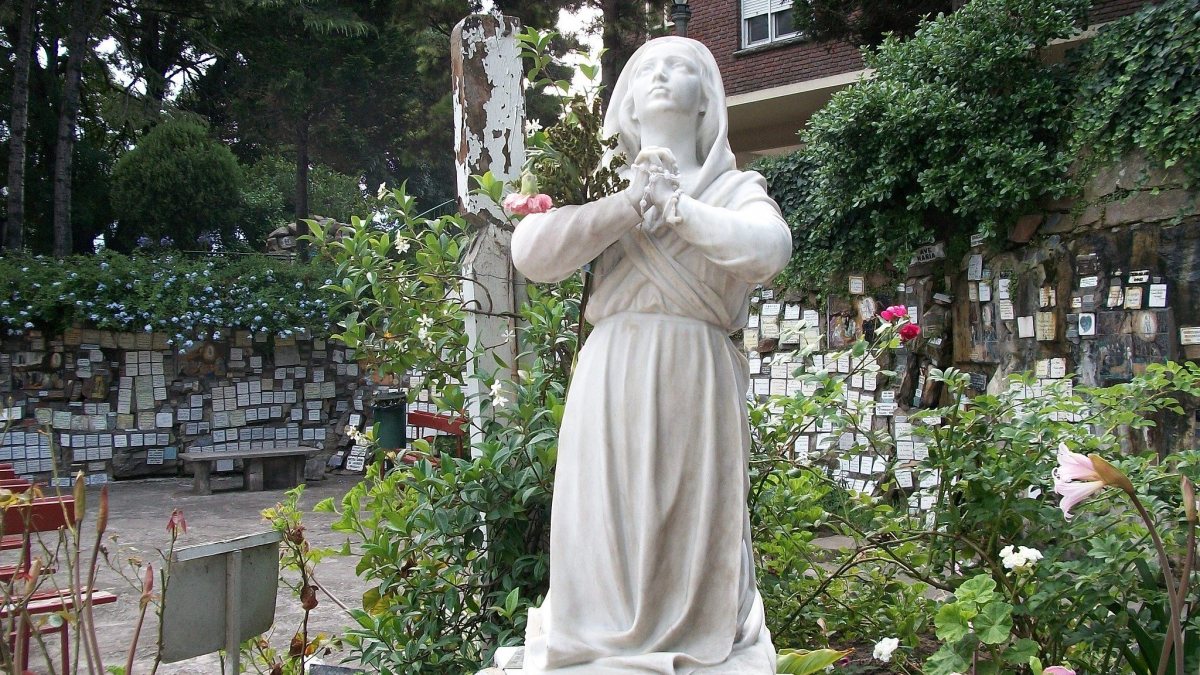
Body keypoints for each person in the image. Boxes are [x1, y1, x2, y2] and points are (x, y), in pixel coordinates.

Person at [511, 36, 793, 674]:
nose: (663, 77)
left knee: (689, 520)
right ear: (627, 106)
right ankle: (601, 635)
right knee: (604, 516)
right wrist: (627, 203)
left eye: (683, 69)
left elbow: (770, 251)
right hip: (613, 374)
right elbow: (534, 253)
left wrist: (679, 210)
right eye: (648, 71)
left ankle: (692, 628)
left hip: (696, 374)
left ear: (707, 104)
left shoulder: (732, 188)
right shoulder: (603, 185)